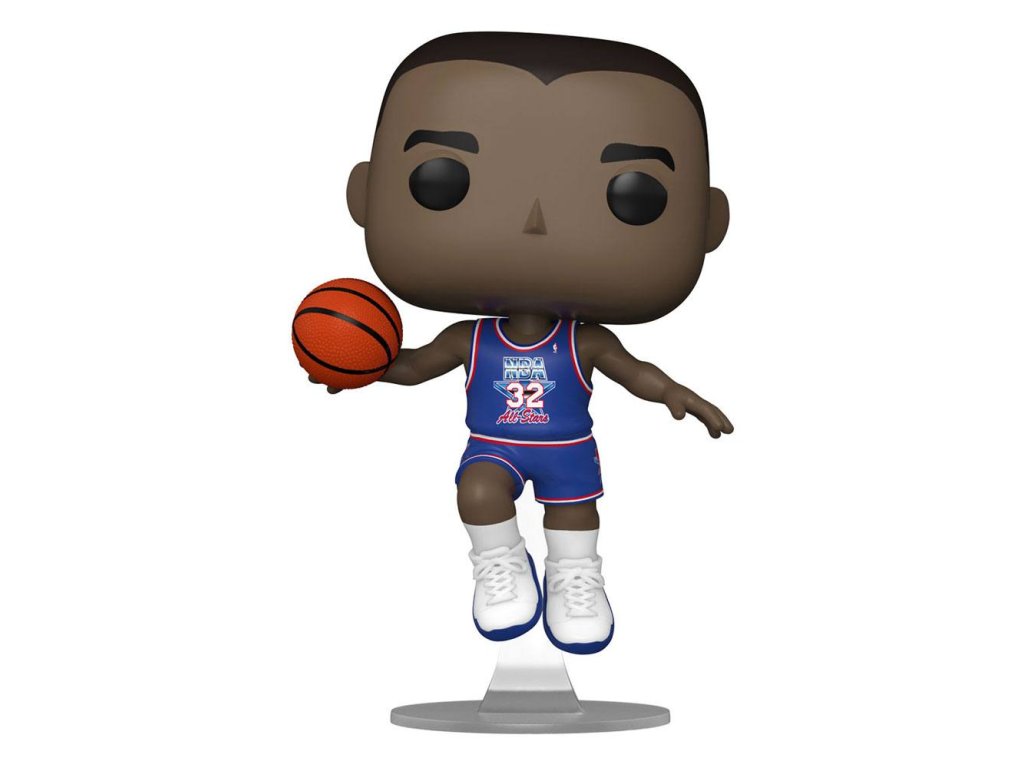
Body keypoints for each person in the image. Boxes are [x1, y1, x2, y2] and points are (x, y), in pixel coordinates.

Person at [326, 32, 733, 654]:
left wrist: (675, 393)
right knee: (476, 491)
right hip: (494, 446)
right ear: (366, 193)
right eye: (442, 180)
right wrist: (362, 366)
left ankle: (575, 577)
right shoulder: (471, 338)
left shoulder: (583, 341)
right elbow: (414, 367)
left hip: (567, 450)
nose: (535, 221)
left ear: (709, 222)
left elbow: (634, 371)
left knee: (575, 516)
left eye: (634, 196)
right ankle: (500, 563)